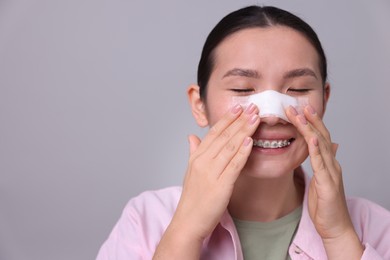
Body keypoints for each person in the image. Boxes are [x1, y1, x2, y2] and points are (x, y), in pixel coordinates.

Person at [96, 5, 390, 260]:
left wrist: (339, 236)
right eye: (242, 89)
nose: (272, 115)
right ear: (200, 105)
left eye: (298, 89)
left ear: (324, 101)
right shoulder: (146, 219)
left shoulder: (371, 225)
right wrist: (186, 230)